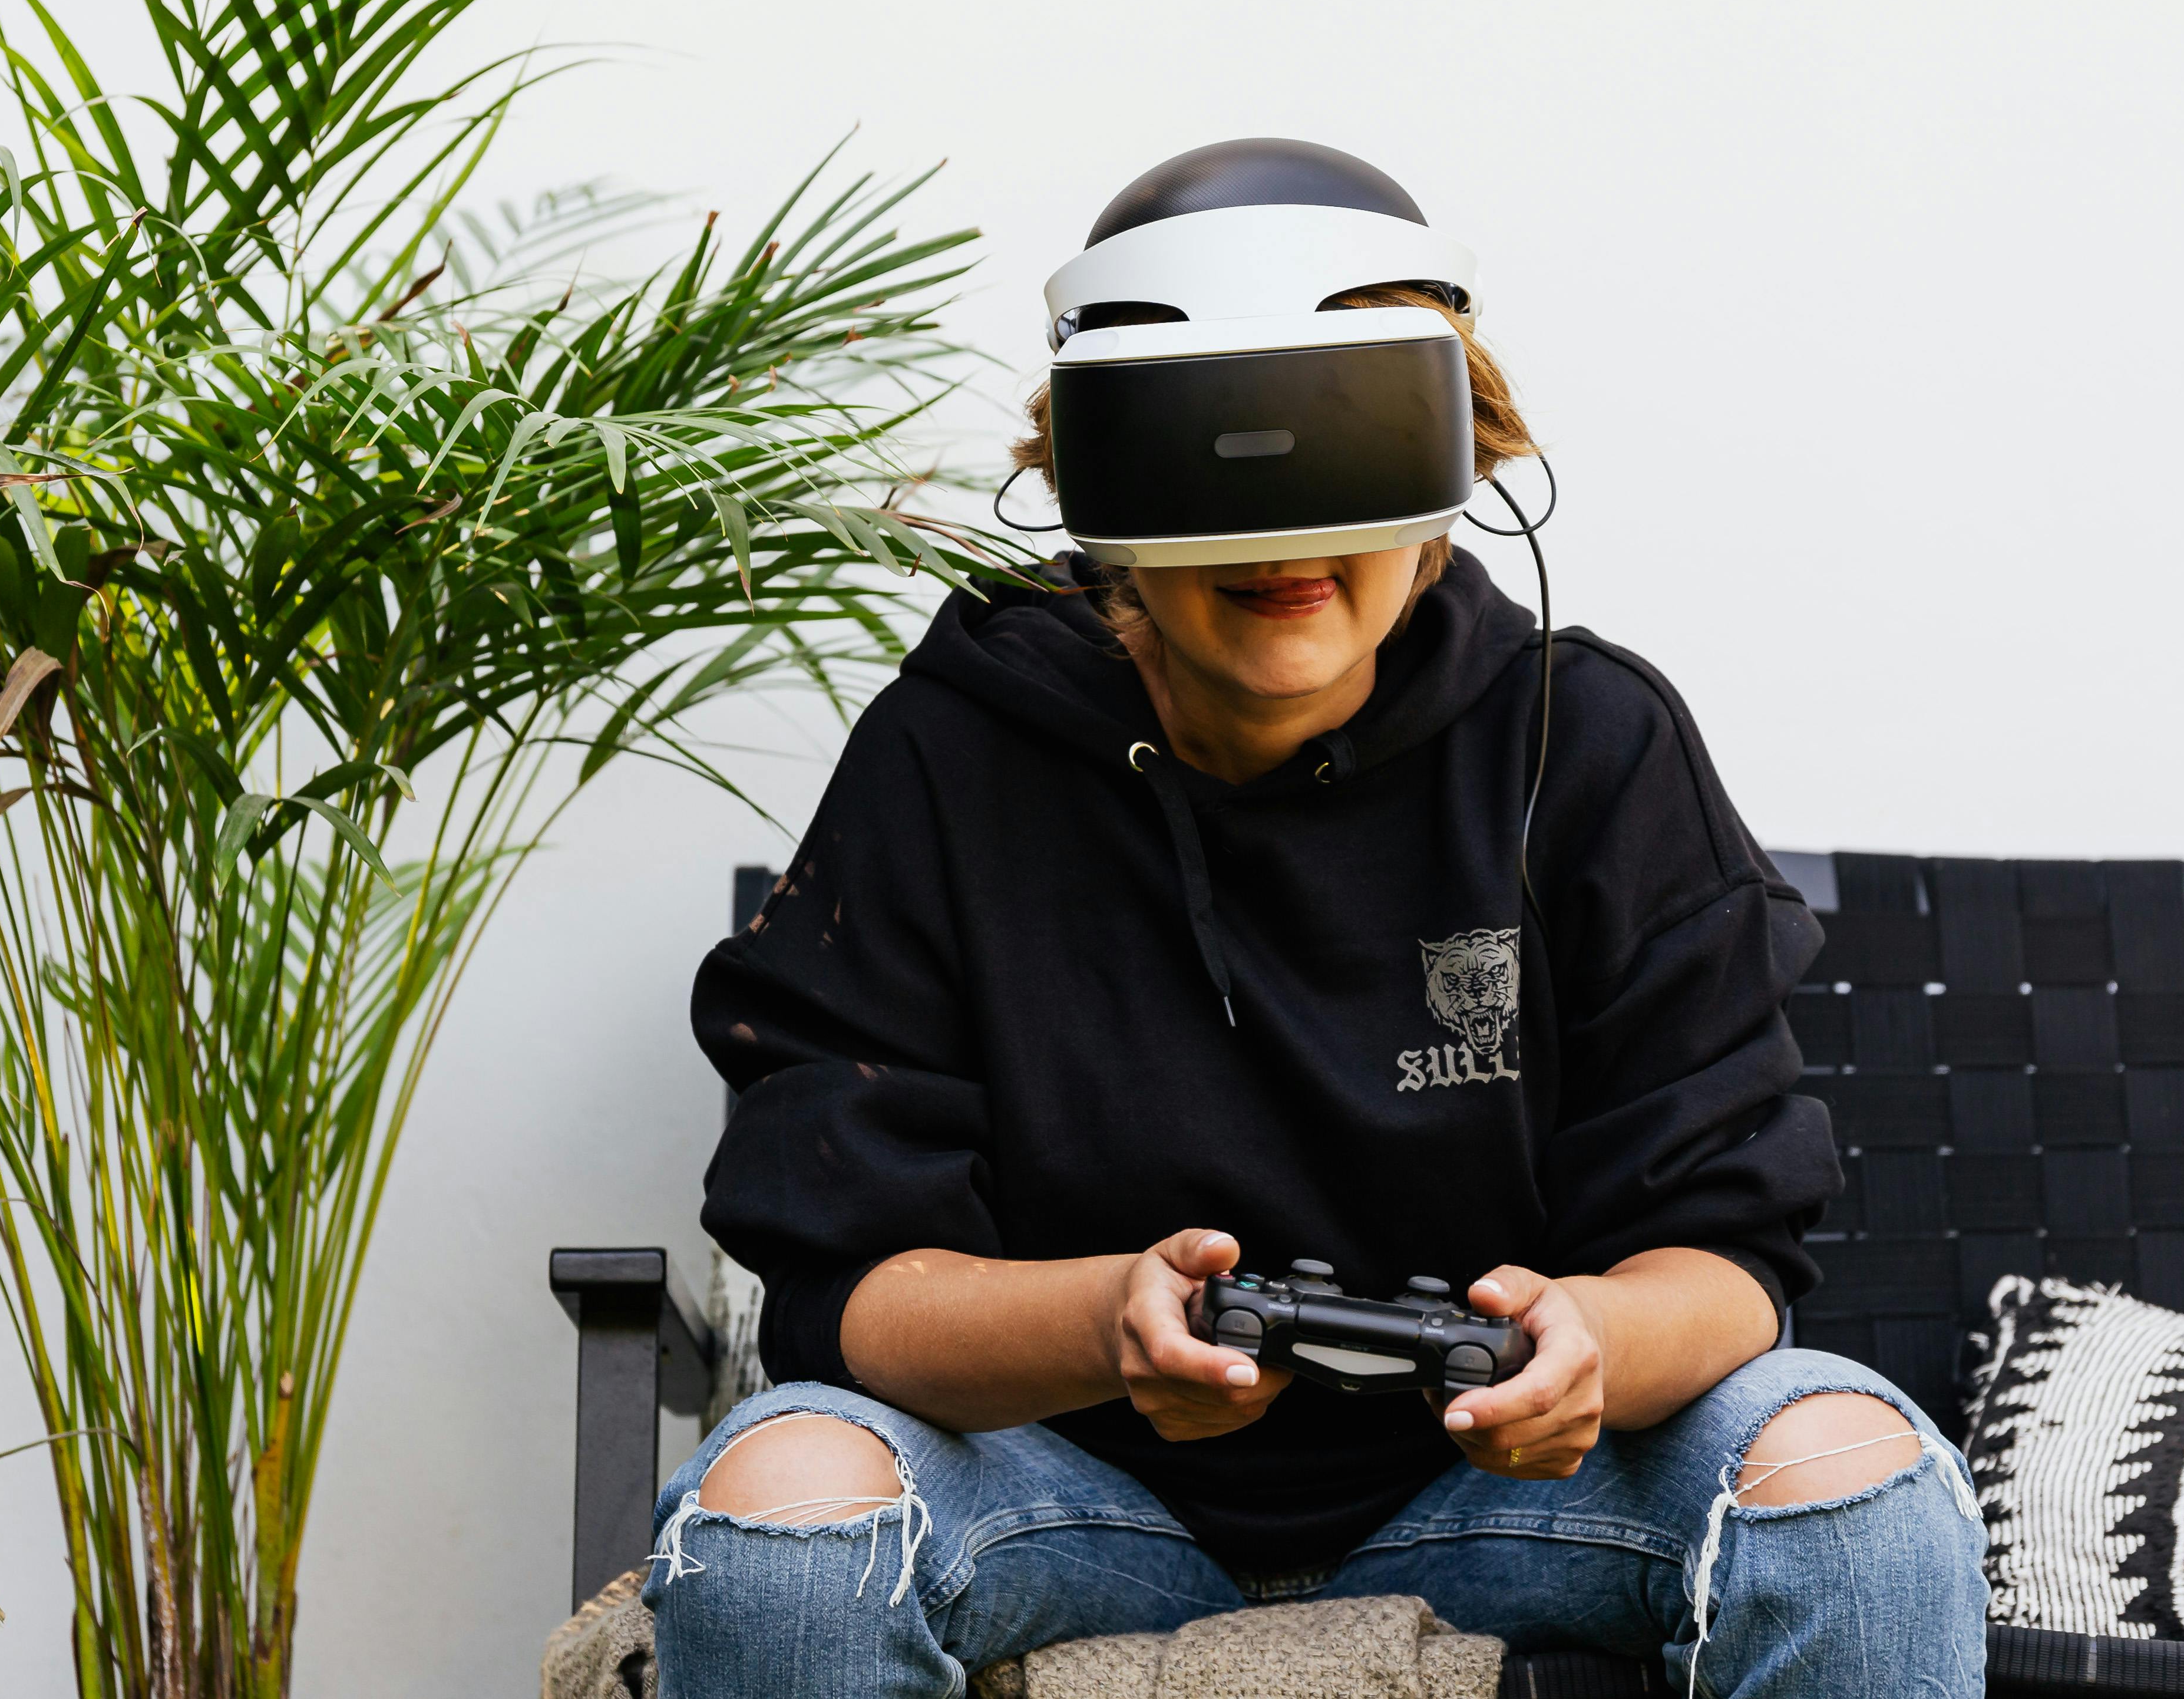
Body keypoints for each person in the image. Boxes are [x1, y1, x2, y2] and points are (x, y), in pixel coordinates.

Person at [652, 141, 1987, 1697]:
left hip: (1513, 1496)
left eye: (1343, 443)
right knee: (780, 1507)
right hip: (1064, 1493)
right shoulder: (953, 753)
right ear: (1104, 488)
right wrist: (1109, 1324)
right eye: (1213, 457)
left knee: (1855, 1479)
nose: (1283, 538)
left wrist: (1591, 1343)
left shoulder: (1592, 741)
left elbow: (1728, 1251)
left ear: (1457, 460)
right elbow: (852, 1292)